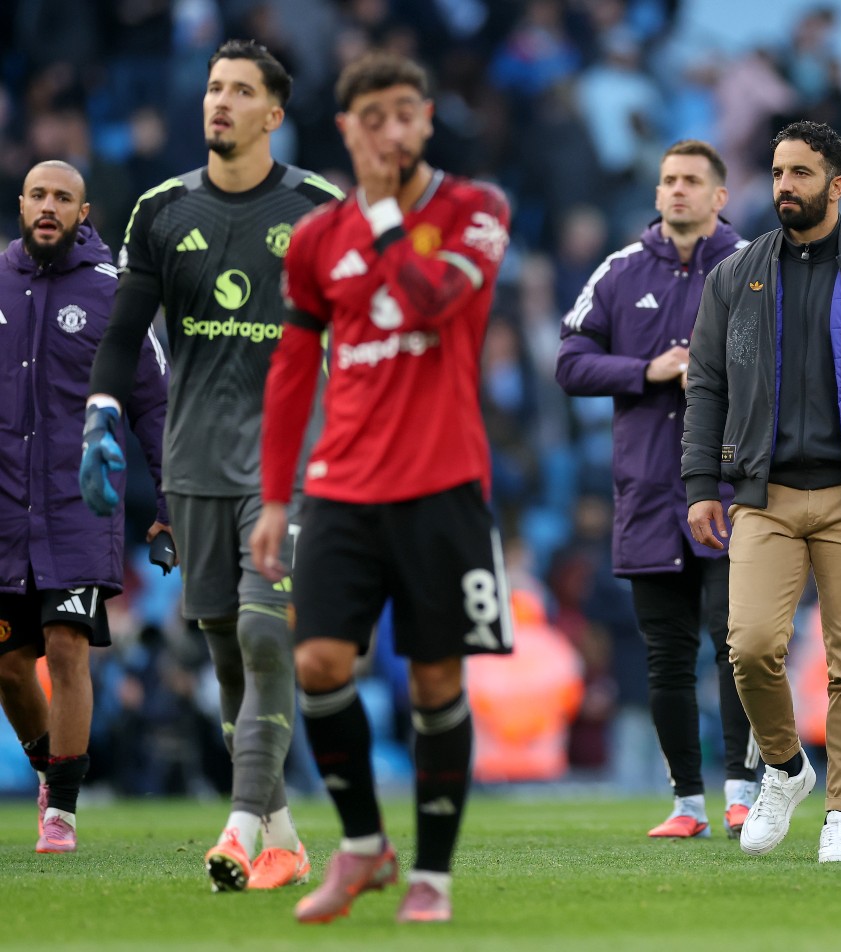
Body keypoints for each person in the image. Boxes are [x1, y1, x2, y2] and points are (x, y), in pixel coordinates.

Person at [249, 50, 512, 925]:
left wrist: (390, 214)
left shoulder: (475, 210)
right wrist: (278, 495)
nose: (391, 130)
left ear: (428, 118)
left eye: (406, 113)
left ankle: (432, 875)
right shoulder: (319, 239)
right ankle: (363, 846)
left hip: (443, 485)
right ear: (346, 129)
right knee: (318, 659)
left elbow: (431, 299)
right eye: (374, 117)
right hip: (342, 488)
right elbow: (293, 369)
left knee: (436, 679)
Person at [82, 40, 342, 891]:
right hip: (193, 468)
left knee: (269, 635)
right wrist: (100, 416)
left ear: (274, 113)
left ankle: (236, 828)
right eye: (212, 88)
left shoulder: (318, 209)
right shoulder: (161, 211)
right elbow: (123, 336)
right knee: (230, 658)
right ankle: (283, 836)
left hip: (290, 468)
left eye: (239, 90)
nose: (218, 102)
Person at [682, 120, 841, 863]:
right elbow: (706, 385)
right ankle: (787, 770)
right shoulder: (736, 274)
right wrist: (701, 483)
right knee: (750, 647)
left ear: (837, 184)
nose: (784, 185)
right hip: (764, 494)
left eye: (800, 173)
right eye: (778, 171)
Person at [556, 140, 759, 840]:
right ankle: (687, 804)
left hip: (732, 490)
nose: (677, 191)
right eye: (668, 180)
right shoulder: (618, 271)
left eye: (692, 181)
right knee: (666, 656)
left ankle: (742, 789)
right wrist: (646, 370)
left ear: (719, 197)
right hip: (647, 493)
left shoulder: (753, 268)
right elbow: (569, 362)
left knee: (739, 645)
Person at [0, 160, 170, 853]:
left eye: (61, 198)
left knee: (68, 648)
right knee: (10, 666)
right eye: (38, 195)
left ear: (83, 211)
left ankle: (62, 812)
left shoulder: (113, 294)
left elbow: (155, 402)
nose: (48, 206)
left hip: (79, 504)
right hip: (7, 509)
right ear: (20, 204)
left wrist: (169, 500)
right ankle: (52, 772)